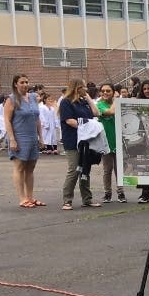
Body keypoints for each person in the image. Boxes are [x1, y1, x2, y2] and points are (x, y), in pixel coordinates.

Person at [58, 78, 102, 210]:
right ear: (77, 88)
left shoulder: (83, 102)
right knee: (74, 170)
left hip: (85, 140)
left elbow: (96, 113)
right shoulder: (66, 102)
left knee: (85, 169)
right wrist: (86, 128)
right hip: (73, 140)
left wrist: (88, 99)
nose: (86, 89)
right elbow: (69, 121)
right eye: (83, 87)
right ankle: (67, 199)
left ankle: (87, 199)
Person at [4, 74, 44, 208]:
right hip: (19, 137)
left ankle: (30, 197)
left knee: (30, 168)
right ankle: (22, 198)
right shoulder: (11, 99)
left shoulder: (33, 97)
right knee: (20, 167)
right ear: (16, 84)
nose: (25, 84)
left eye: (26, 82)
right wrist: (12, 139)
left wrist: (41, 137)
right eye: (22, 82)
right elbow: (7, 121)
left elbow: (37, 118)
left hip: (33, 136)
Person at [95, 83, 125, 202]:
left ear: (113, 92)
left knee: (119, 170)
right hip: (106, 142)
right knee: (107, 170)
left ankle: (121, 193)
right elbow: (110, 112)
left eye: (108, 91)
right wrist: (116, 100)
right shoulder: (99, 105)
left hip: (119, 141)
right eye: (103, 91)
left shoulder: (119, 103)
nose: (105, 93)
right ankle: (107, 193)